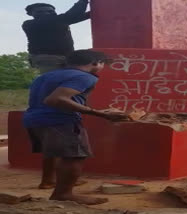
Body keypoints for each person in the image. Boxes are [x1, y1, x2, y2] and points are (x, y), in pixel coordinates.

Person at [23, 49, 129, 205]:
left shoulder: (47, 75)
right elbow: (55, 99)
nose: (102, 67)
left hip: (34, 119)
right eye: (102, 64)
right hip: (60, 119)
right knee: (75, 156)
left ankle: (49, 182)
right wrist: (99, 114)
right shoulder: (84, 77)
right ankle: (63, 194)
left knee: (56, 152)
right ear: (95, 63)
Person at [22, 0, 90, 73]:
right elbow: (71, 16)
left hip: (65, 57)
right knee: (55, 80)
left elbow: (74, 17)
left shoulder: (58, 21)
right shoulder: (30, 24)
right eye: (40, 11)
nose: (46, 13)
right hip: (47, 59)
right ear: (31, 14)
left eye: (50, 11)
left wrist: (93, 13)